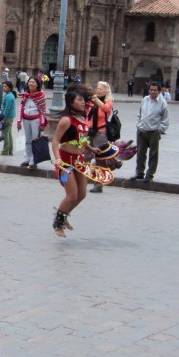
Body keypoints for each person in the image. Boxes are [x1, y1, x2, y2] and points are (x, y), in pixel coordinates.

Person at [51, 87, 100, 238]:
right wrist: (58, 158)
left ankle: (64, 215)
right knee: (72, 195)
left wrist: (91, 148)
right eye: (79, 100)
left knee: (82, 194)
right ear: (71, 103)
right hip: (65, 164)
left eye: (83, 100)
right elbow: (55, 140)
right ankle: (57, 223)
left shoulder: (81, 119)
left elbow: (82, 138)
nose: (83, 102)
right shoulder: (66, 120)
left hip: (79, 162)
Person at [130, 82, 170, 181]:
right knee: (140, 153)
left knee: (153, 154)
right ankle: (139, 173)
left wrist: (159, 130)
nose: (152, 92)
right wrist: (139, 125)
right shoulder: (145, 100)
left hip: (154, 132)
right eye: (151, 90)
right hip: (142, 130)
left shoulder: (163, 103)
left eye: (155, 90)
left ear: (159, 91)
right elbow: (139, 113)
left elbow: (165, 120)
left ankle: (150, 174)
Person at [85, 81, 114, 193]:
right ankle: (83, 180)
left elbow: (106, 109)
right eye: (97, 88)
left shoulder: (108, 101)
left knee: (99, 159)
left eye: (100, 88)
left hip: (101, 132)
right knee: (86, 156)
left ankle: (98, 184)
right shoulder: (92, 101)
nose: (98, 90)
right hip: (90, 131)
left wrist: (95, 99)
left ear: (106, 91)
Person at [17, 76, 47, 170]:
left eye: (33, 82)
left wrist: (42, 124)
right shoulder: (25, 95)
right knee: (27, 140)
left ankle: (34, 161)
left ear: (37, 84)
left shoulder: (41, 96)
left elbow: (42, 111)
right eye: (30, 82)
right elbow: (21, 107)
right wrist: (19, 120)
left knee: (35, 140)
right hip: (26, 119)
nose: (31, 84)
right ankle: (27, 159)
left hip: (36, 120)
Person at [0, 81, 17, 156]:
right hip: (10, 116)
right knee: (9, 133)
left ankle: (5, 150)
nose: (4, 88)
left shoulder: (9, 96)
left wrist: (3, 118)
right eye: (3, 86)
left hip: (7, 117)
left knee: (5, 133)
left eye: (6, 86)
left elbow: (7, 109)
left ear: (10, 88)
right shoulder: (9, 95)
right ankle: (10, 150)